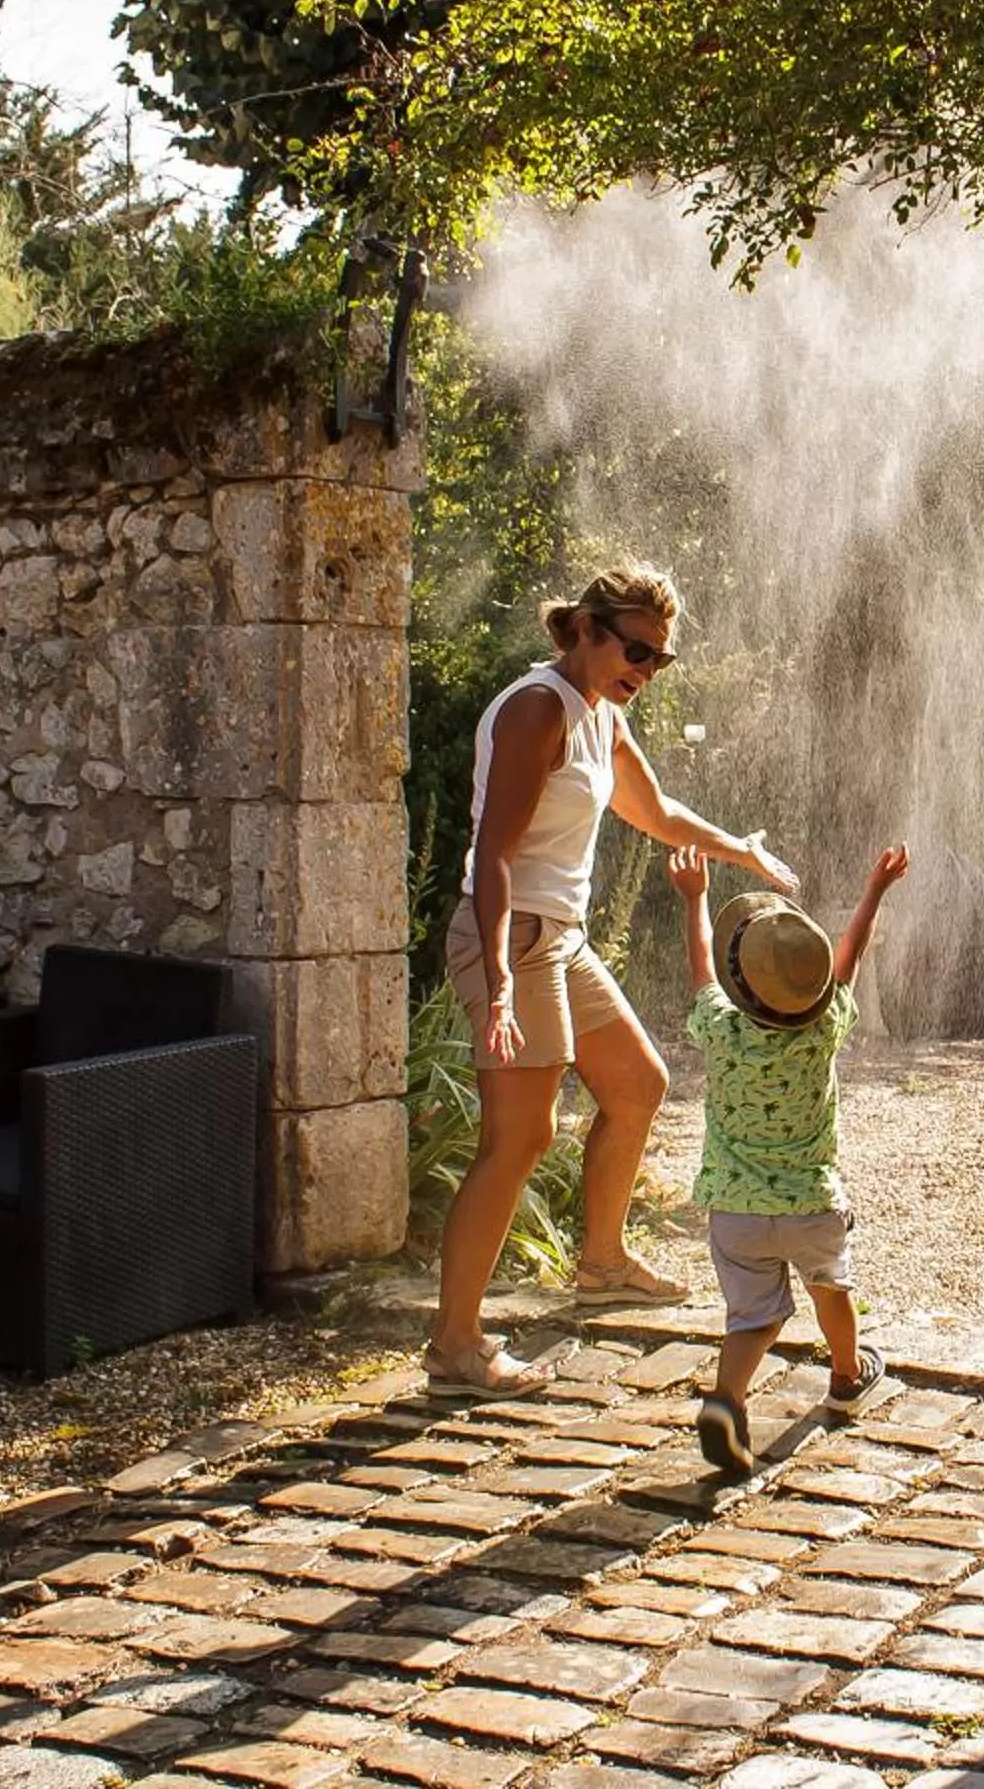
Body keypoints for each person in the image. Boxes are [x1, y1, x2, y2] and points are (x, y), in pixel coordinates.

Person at [424, 564, 798, 1399]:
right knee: (519, 1139)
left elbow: (655, 813)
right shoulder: (538, 708)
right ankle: (454, 1344)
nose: (647, 670)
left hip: (560, 937)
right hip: (513, 936)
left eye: (660, 659)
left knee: (636, 1084)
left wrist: (742, 850)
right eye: (637, 651)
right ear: (588, 631)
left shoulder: (602, 713)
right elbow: (493, 854)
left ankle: (600, 1263)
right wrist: (498, 978)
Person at [667, 839, 911, 1476]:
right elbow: (850, 959)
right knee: (831, 1286)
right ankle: (848, 1376)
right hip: (810, 1203)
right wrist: (875, 890)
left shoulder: (720, 1028)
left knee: (753, 1318)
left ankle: (727, 1399)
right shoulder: (822, 1028)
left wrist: (694, 898)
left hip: (736, 1210)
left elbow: (699, 967)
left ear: (739, 984)